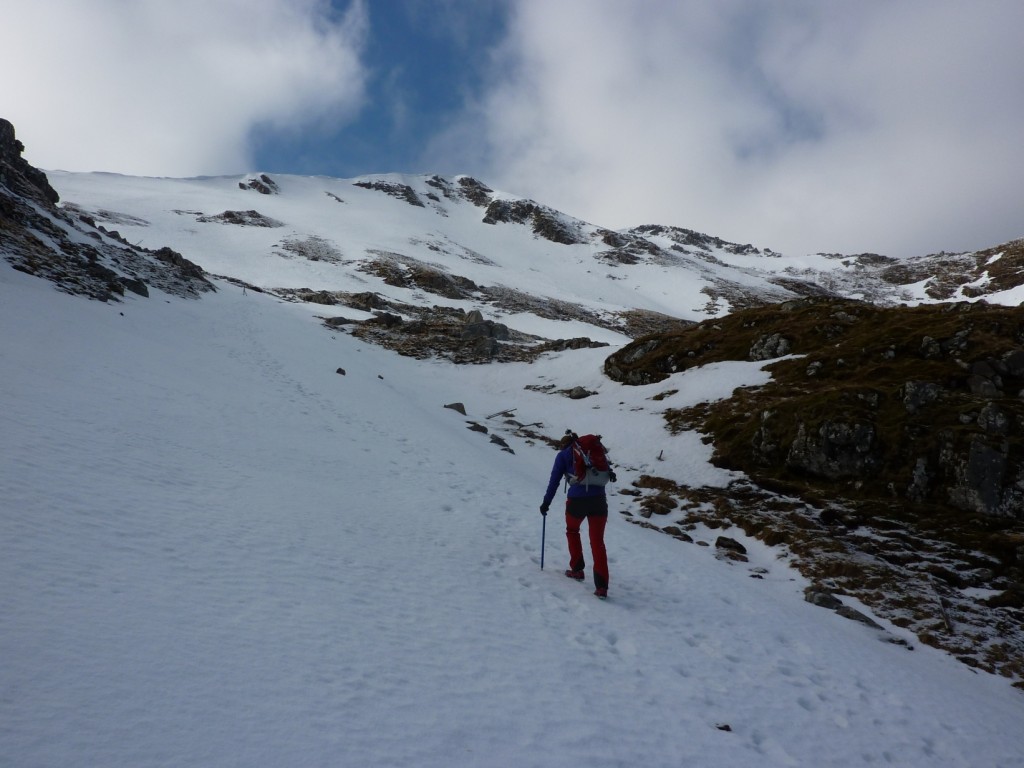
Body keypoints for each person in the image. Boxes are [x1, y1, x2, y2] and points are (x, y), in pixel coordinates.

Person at [539, 431, 614, 598]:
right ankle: (602, 588)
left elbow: (554, 482)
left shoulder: (563, 456)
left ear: (563, 445)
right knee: (597, 542)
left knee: (572, 531)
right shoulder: (592, 452)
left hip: (577, 502)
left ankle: (577, 569)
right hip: (599, 501)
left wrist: (546, 503)